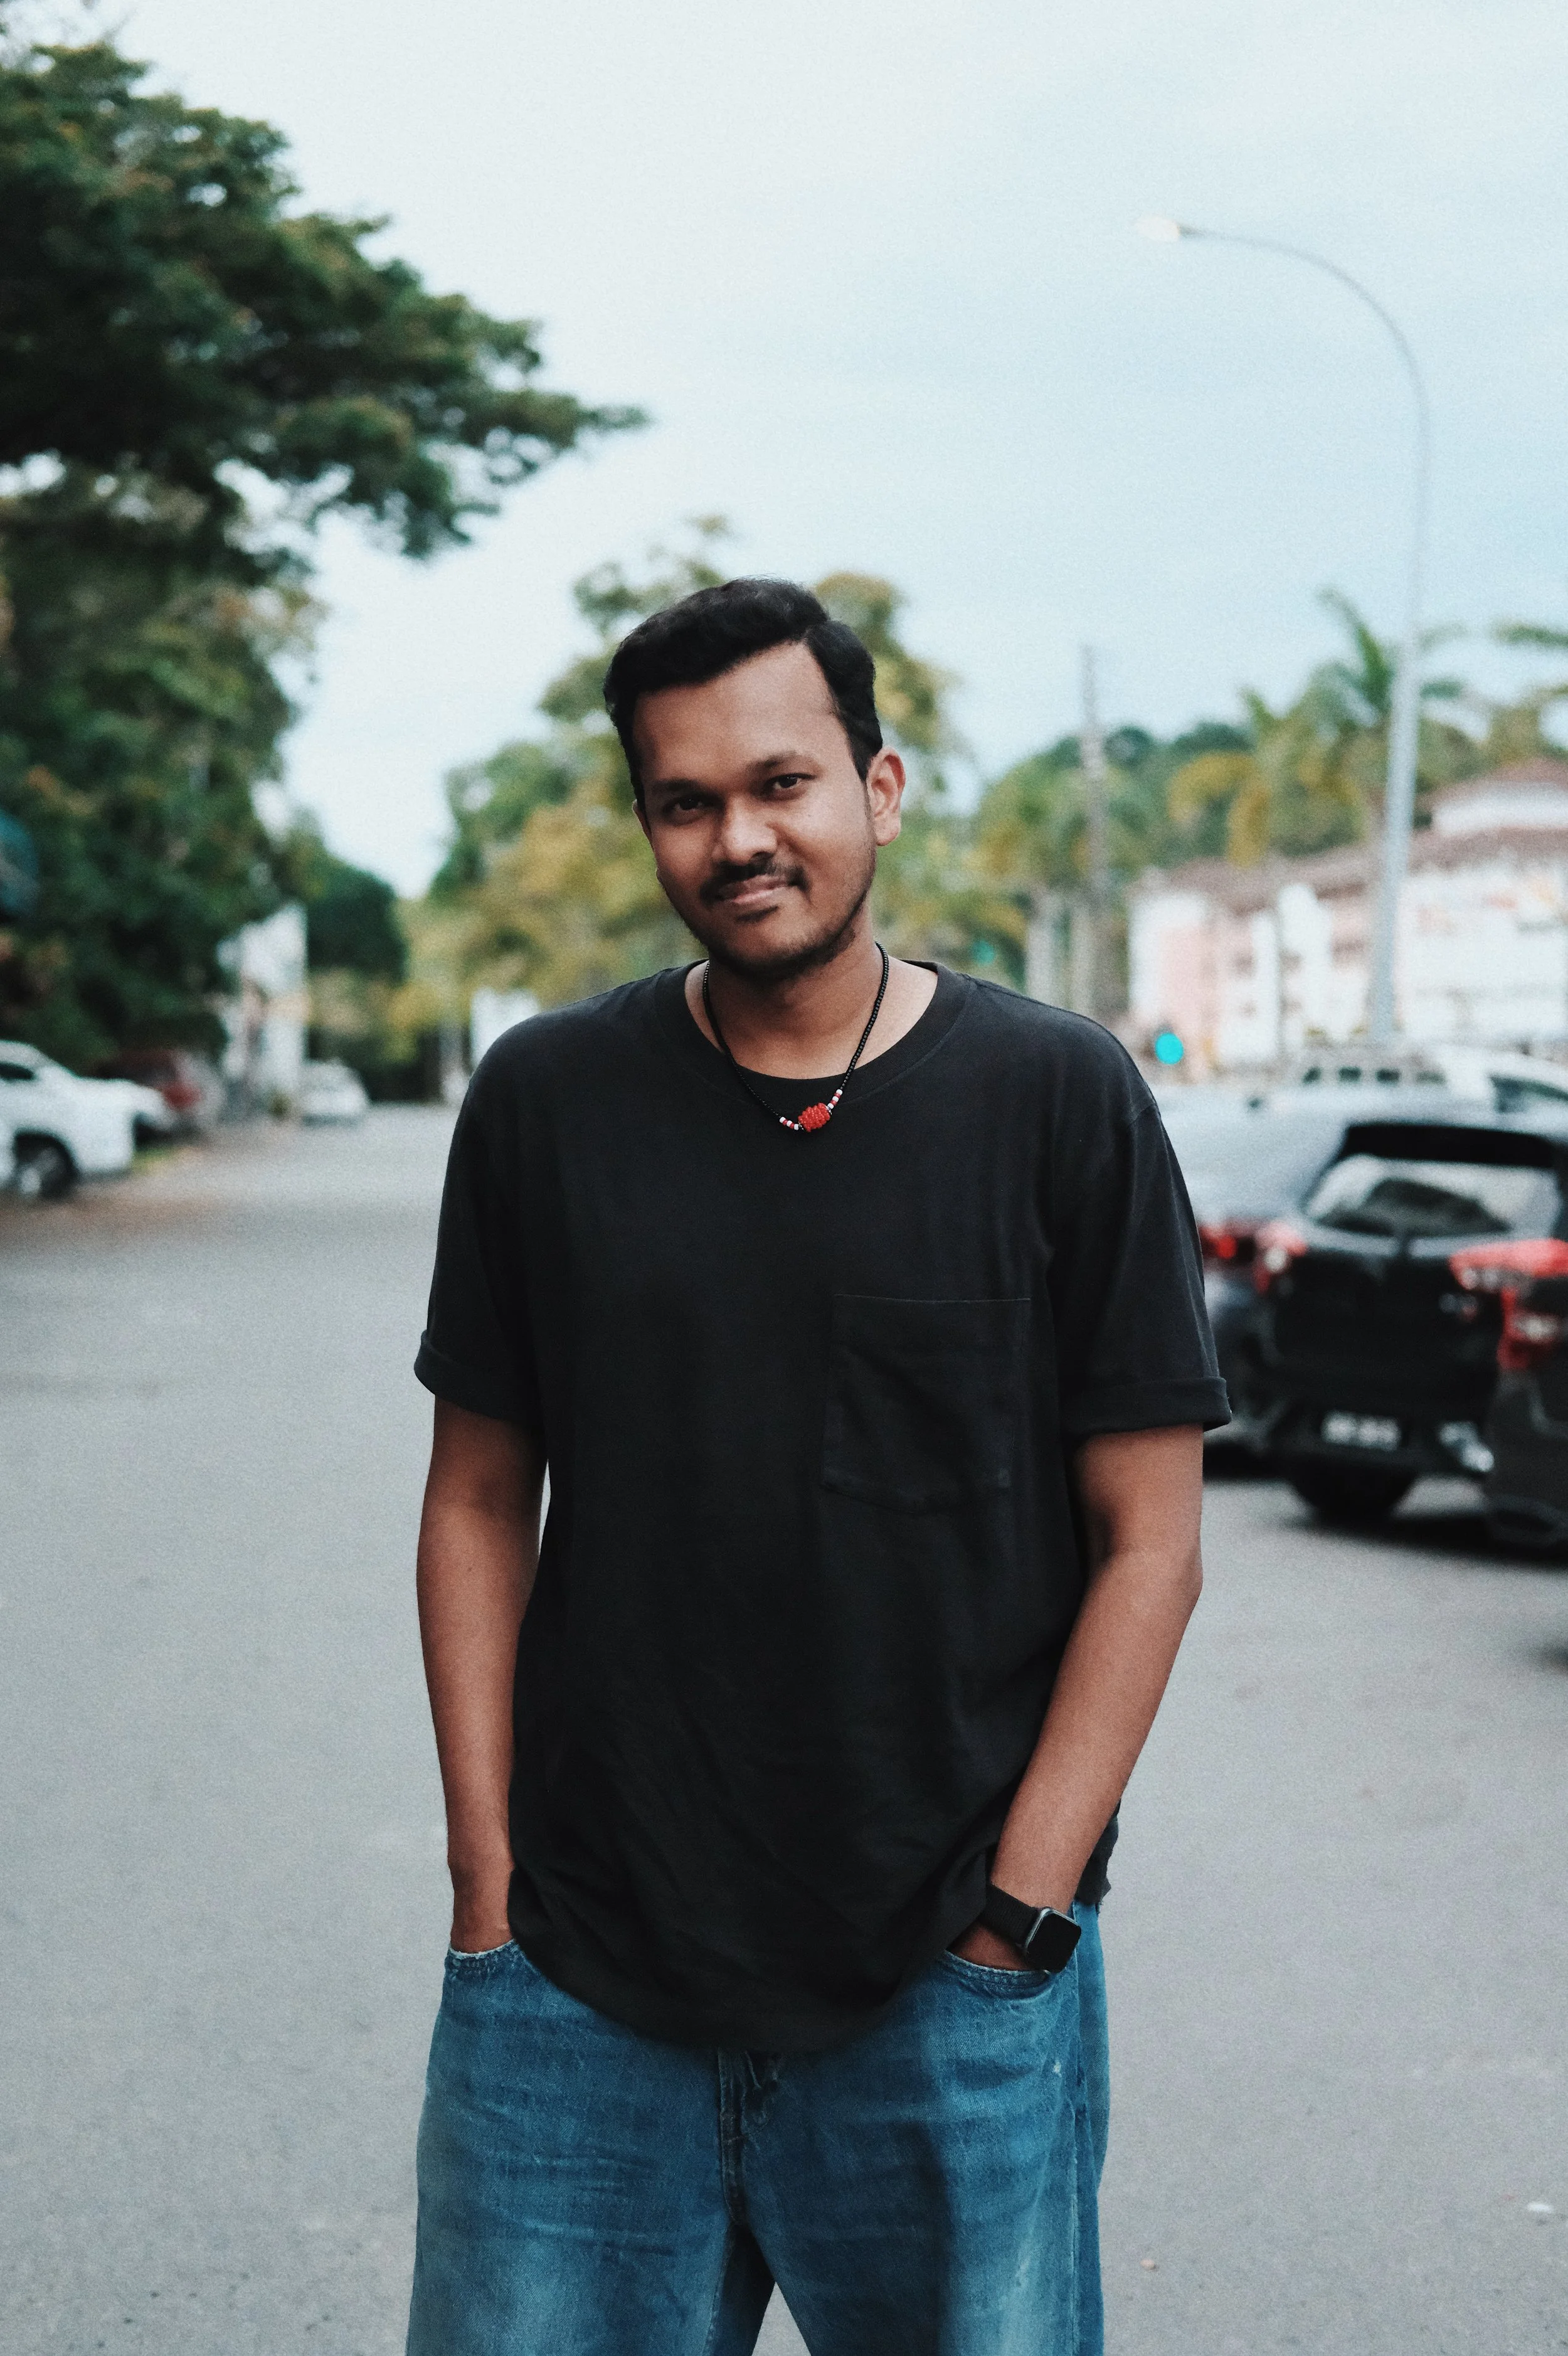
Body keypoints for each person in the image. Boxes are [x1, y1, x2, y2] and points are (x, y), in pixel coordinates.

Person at [406, 578, 1227, 2356]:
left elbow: (1146, 1541)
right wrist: (489, 1886)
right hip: (576, 1982)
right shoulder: (547, 1099)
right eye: (685, 800)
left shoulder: (1057, 1100)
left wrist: (1019, 1910)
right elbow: (478, 1493)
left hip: (945, 1986)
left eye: (780, 782)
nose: (738, 837)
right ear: (646, 822)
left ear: (882, 784)